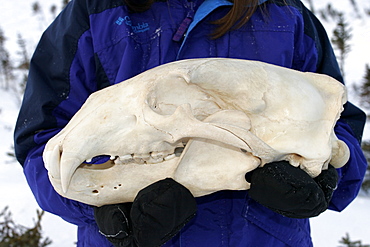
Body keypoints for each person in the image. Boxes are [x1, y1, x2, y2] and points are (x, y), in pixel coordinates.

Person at [14, 0, 367, 246]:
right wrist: (109, 216)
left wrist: (325, 177)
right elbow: (43, 146)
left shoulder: (287, 16)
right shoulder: (96, 14)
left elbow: (336, 124)